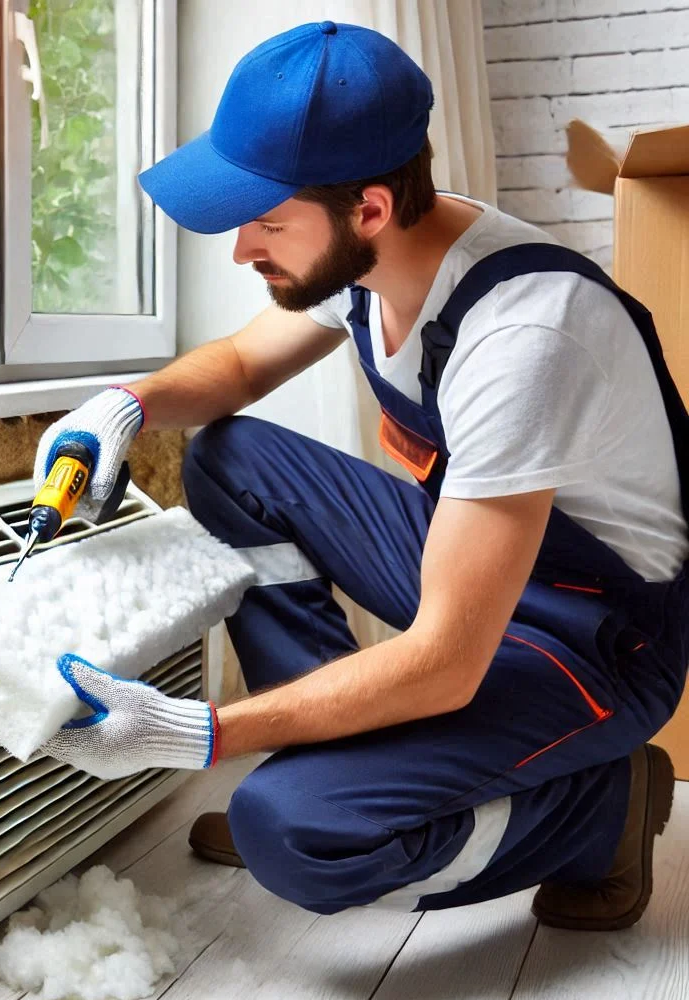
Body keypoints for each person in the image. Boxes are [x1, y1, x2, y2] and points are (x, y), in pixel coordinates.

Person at [35, 21, 689, 929]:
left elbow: (446, 665)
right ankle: (335, 760)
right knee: (231, 456)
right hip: (479, 561)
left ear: (369, 209)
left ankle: (599, 813)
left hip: (594, 636)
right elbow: (236, 367)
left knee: (294, 837)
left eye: (265, 223)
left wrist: (202, 733)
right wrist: (124, 404)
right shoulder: (371, 258)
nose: (241, 250)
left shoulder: (522, 337)